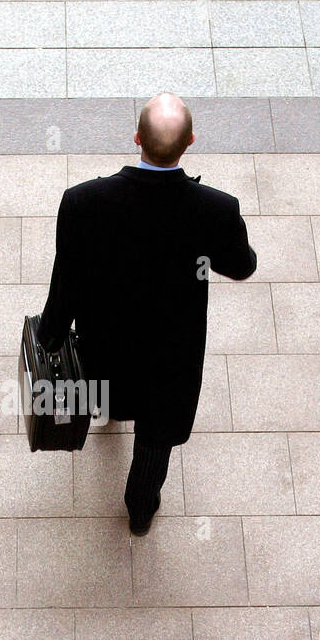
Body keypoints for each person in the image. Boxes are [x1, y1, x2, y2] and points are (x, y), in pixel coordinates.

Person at [37, 93, 258, 535]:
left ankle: (109, 412)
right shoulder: (216, 209)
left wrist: (51, 334)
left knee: (107, 394)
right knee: (156, 440)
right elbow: (242, 266)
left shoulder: (83, 202)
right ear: (190, 142)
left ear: (136, 137)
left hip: (105, 343)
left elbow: (68, 279)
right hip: (171, 356)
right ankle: (139, 511)